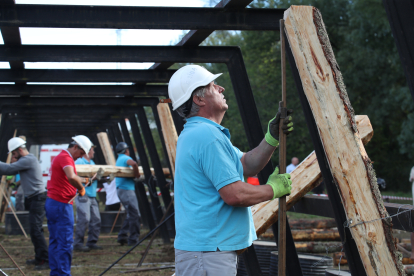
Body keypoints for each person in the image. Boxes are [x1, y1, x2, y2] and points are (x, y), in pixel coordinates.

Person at [169, 65, 294, 275]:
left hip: (207, 250)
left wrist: (271, 138)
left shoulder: (201, 133)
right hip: (208, 252)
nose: (221, 88)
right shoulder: (206, 136)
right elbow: (234, 194)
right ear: (199, 99)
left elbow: (246, 164)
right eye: (212, 85)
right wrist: (273, 189)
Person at [45, 135, 94, 276]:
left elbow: (70, 176)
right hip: (61, 204)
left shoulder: (62, 157)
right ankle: (64, 274)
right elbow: (72, 177)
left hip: (53, 203)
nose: (80, 157)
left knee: (55, 241)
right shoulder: (66, 158)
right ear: (75, 147)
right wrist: (80, 189)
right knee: (65, 242)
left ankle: (56, 273)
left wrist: (83, 180)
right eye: (81, 153)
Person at [0, 137, 49, 270]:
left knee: (36, 231)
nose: (13, 157)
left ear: (20, 150)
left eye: (14, 154)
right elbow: (11, 169)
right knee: (35, 230)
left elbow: (9, 169)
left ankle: (45, 260)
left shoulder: (28, 160)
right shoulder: (27, 160)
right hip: (35, 198)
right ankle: (39, 258)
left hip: (37, 198)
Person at [73, 144, 102, 252]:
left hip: (92, 195)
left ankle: (92, 242)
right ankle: (78, 243)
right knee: (84, 219)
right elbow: (76, 176)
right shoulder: (79, 163)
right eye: (92, 150)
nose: (94, 152)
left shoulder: (92, 163)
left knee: (96, 219)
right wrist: (89, 179)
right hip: (83, 194)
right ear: (87, 151)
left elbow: (93, 179)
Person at [115, 142, 141, 246]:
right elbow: (133, 163)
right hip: (127, 190)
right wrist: (137, 174)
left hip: (122, 189)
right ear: (126, 151)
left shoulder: (119, 159)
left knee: (131, 214)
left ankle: (123, 236)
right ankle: (133, 240)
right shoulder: (125, 158)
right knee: (135, 214)